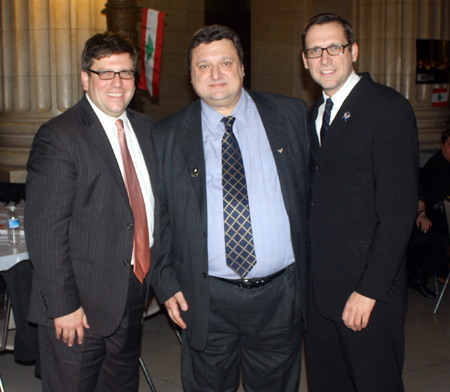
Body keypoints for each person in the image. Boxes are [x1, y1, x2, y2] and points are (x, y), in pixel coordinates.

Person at [151, 24, 309, 391]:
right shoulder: (167, 136)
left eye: (225, 62)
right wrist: (165, 279)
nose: (216, 74)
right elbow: (157, 220)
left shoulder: (291, 116)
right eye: (203, 66)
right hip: (205, 298)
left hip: (280, 295)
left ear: (242, 68)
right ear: (190, 77)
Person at [25, 33, 160, 392]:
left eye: (126, 73)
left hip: (131, 294)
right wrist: (63, 306)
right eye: (106, 73)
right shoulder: (59, 136)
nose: (117, 83)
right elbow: (45, 231)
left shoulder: (146, 130)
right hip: (77, 307)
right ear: (85, 78)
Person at [302, 13, 418, 392]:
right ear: (304, 60)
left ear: (353, 51)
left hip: (365, 296)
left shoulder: (387, 108)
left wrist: (369, 290)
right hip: (319, 296)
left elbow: (398, 213)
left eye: (334, 48)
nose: (324, 59)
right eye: (314, 50)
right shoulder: (313, 115)